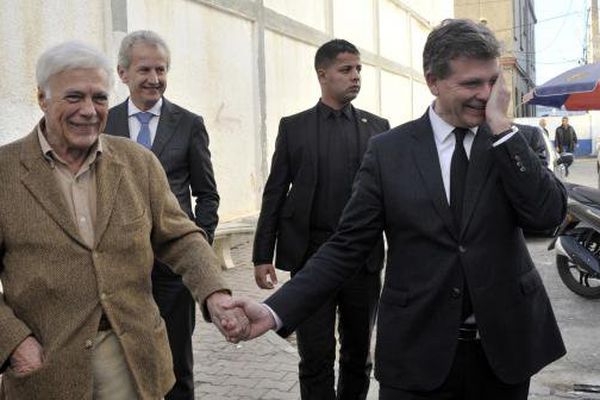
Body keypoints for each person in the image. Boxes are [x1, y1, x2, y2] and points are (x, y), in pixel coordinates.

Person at [227, 19, 567, 400]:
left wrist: (503, 129)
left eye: (492, 82)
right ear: (433, 81)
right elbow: (346, 247)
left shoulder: (510, 142)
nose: (485, 95)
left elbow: (548, 216)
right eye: (471, 84)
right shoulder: (389, 151)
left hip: (504, 354)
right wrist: (275, 311)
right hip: (417, 354)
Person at [0, 41, 243, 400]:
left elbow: (181, 238)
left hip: (133, 363)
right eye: (74, 97)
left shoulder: (137, 163)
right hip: (46, 365)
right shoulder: (6, 172)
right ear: (42, 99)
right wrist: (13, 342)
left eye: (99, 98)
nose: (89, 110)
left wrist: (214, 293)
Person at [252, 39, 389, 399]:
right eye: (346, 70)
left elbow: (393, 198)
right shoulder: (294, 127)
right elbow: (275, 192)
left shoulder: (378, 129)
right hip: (311, 258)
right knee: (315, 356)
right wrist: (262, 254)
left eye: (359, 69)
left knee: (359, 356)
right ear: (322, 74)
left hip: (363, 261)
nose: (356, 76)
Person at [104, 30, 219, 400]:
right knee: (120, 361)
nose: (154, 79)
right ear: (123, 73)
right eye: (144, 70)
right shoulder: (103, 123)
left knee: (175, 363)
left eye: (161, 69)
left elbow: (207, 194)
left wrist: (198, 245)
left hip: (172, 270)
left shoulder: (188, 123)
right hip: (118, 268)